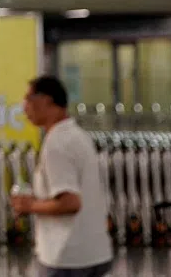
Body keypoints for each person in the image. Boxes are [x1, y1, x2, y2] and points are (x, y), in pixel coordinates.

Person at [10, 76, 113, 277]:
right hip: (94, 252)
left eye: (28, 99)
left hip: (67, 257)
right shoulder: (78, 136)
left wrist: (28, 205)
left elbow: (70, 203)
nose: (24, 107)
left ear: (46, 100)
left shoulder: (57, 143)